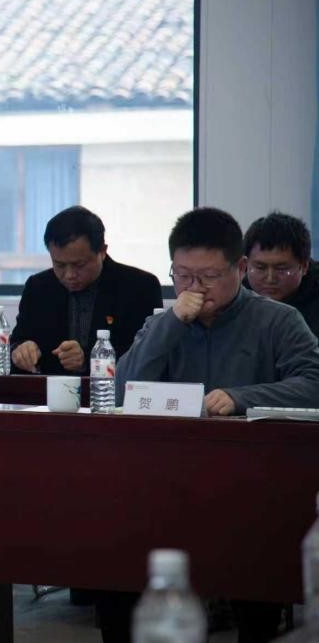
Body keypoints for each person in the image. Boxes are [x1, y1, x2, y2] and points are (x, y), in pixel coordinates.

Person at [105, 207, 319, 643]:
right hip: (167, 479)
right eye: (183, 276)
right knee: (117, 562)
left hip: (252, 482)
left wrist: (243, 397)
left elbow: (314, 382)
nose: (194, 287)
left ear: (239, 268)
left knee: (255, 584)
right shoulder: (161, 323)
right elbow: (122, 386)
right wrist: (171, 323)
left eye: (208, 276)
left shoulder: (277, 320)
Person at [10, 206, 162, 376]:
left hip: (115, 390)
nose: (69, 275)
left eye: (79, 265)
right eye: (59, 265)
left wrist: (89, 360)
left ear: (102, 251)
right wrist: (21, 351)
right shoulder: (38, 287)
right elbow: (17, 342)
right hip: (49, 391)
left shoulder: (139, 287)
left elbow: (147, 357)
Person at [242, 212, 319, 336]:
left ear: (304, 266)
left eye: (281, 269)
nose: (270, 279)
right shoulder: (232, 295)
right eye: (260, 268)